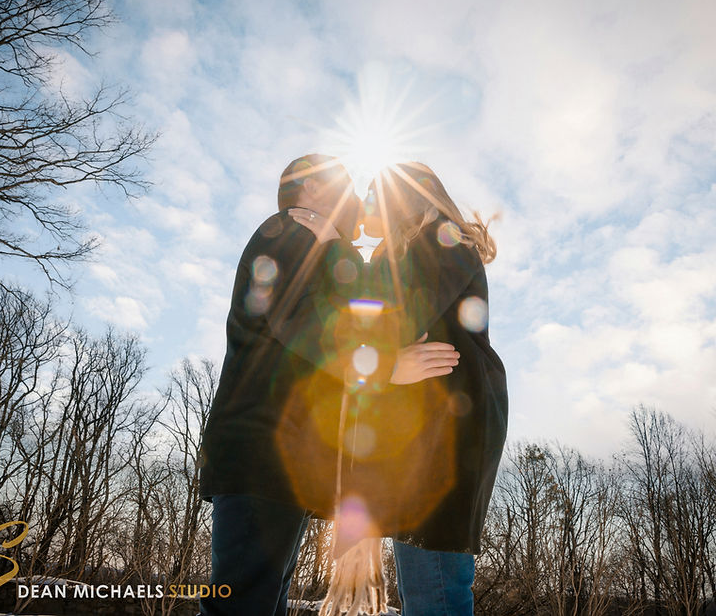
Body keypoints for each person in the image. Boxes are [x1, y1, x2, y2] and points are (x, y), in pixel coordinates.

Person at [198, 154, 460, 616]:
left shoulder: (316, 243)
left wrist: (338, 245)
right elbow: (304, 322)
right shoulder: (289, 232)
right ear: (313, 189)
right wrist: (385, 369)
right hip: (261, 451)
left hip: (283, 459)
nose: (360, 199)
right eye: (349, 186)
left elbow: (357, 309)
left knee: (260, 604)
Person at [294, 161, 508, 615]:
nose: (368, 203)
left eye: (376, 193)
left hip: (445, 433)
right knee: (432, 585)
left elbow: (392, 317)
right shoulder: (418, 247)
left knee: (435, 588)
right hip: (434, 432)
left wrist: (333, 247)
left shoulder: (441, 239)